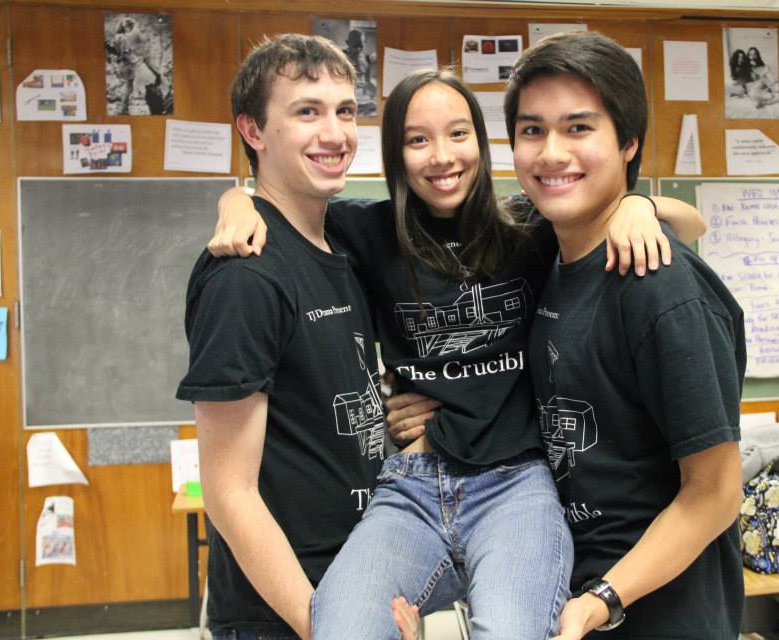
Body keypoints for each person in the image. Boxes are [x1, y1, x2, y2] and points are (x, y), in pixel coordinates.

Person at [210, 64, 707, 636]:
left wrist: (637, 206)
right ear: (396, 155)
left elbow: (692, 226)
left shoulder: (529, 224)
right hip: (413, 482)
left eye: (458, 133)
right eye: (417, 140)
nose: (441, 156)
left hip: (515, 482)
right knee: (340, 626)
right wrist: (237, 200)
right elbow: (284, 207)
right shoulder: (368, 232)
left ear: (482, 141)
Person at [393, 31, 744, 639]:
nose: (551, 153)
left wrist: (603, 599)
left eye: (579, 128)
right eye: (532, 131)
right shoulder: (539, 253)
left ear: (628, 141)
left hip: (655, 612)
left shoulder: (661, 289)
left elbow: (715, 494)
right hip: (556, 591)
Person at [176, 34, 384, 640]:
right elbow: (230, 493)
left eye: (345, 111)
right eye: (306, 112)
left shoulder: (341, 241)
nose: (336, 133)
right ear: (253, 131)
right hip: (288, 614)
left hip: (366, 582)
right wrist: (325, 625)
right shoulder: (245, 276)